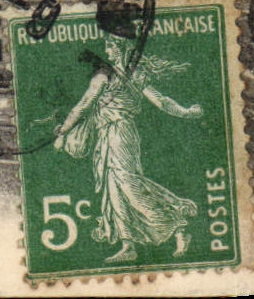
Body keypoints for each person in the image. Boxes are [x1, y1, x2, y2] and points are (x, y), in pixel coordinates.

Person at [53, 34, 202, 263]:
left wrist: (63, 132)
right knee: (113, 189)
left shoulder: (115, 76)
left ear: (120, 49)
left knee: (128, 184)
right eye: (106, 47)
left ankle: (177, 227)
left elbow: (84, 105)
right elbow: (159, 100)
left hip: (120, 133)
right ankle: (128, 245)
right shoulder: (119, 75)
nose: (107, 51)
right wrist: (185, 112)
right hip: (107, 135)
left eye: (110, 47)